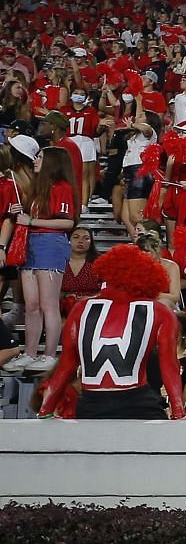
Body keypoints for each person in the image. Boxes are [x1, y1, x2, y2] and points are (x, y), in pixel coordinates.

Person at [39, 244, 186, 419]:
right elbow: (169, 365)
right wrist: (178, 412)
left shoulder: (81, 308)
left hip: (91, 403)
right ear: (149, 276)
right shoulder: (159, 311)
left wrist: (45, 410)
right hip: (138, 404)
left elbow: (67, 364)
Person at [13, 143, 77, 373]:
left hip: (51, 244)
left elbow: (67, 222)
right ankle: (30, 353)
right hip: (30, 245)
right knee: (31, 305)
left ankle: (49, 354)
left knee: (48, 304)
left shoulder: (62, 187)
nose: (35, 160)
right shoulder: (38, 188)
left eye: (39, 157)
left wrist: (31, 221)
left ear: (52, 162)